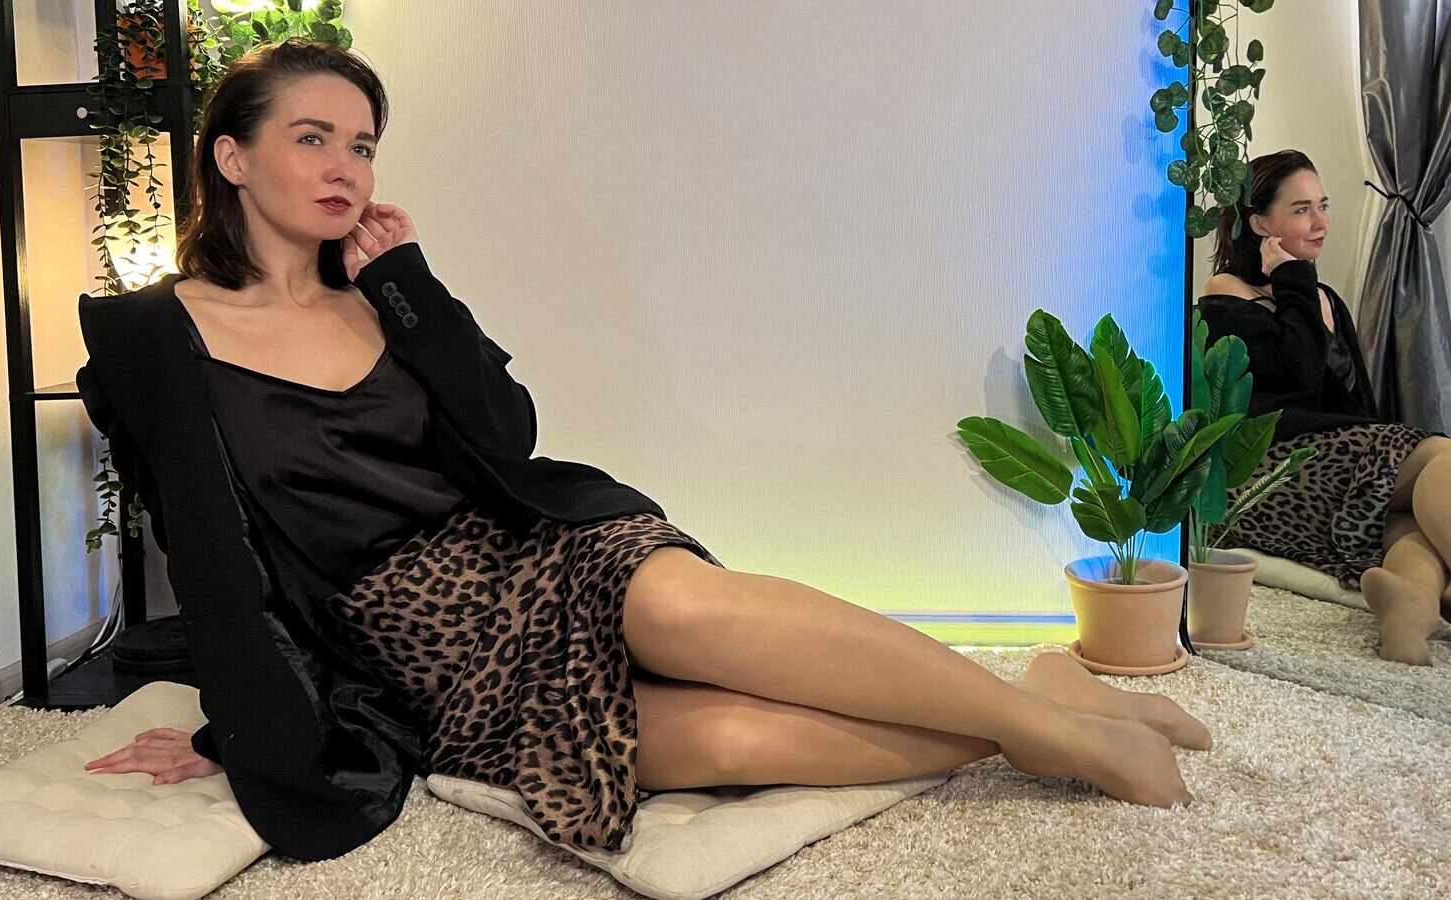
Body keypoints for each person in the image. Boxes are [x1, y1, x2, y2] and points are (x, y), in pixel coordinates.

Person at [77, 38, 1208, 861]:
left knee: (679, 610)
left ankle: (1053, 729)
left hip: (532, 553)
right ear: (231, 158)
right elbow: (213, 560)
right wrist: (242, 726)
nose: (345, 167)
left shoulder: (386, 296)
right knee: (725, 741)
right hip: (421, 655)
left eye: (362, 145)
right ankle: (1039, 707)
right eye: (311, 138)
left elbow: (505, 436)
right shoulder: (157, 338)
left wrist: (408, 283)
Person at [1197, 149, 1451, 666]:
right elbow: (1298, 375)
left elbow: (1355, 407)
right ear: (1260, 224)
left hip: (1339, 464)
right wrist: (1292, 279)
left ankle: (1411, 606)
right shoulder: (1226, 293)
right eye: (1301, 209)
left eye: (1323, 205)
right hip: (1268, 470)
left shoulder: (1325, 298)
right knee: (1441, 455)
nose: (1321, 222)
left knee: (1406, 521)